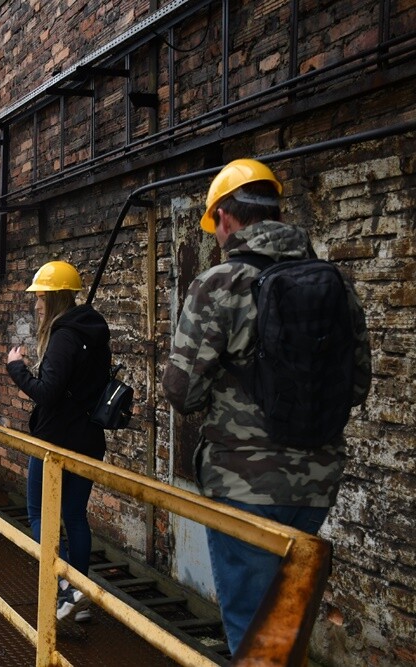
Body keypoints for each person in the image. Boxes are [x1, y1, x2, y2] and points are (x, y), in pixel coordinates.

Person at [162, 158, 371, 655]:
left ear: (227, 219)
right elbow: (357, 385)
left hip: (244, 488)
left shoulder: (222, 283)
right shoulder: (336, 284)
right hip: (317, 486)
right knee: (284, 630)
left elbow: (180, 391)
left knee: (253, 636)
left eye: (215, 227)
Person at [5, 260, 110, 624]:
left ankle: (67, 590)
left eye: (40, 298)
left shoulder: (64, 336)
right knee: (75, 516)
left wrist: (16, 366)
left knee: (38, 514)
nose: (35, 305)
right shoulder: (93, 330)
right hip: (88, 438)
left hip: (56, 443)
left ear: (53, 299)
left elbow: (47, 393)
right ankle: (79, 596)